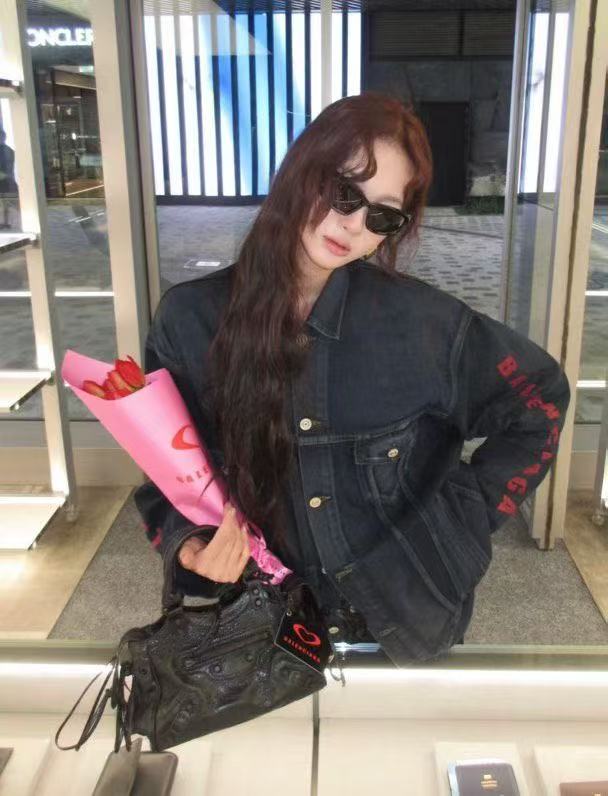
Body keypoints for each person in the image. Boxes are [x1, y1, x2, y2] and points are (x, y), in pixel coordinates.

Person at [133, 91, 571, 666]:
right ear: (301, 170)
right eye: (345, 192)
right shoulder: (190, 320)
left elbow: (541, 400)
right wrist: (189, 542)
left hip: (402, 624)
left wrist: (464, 516)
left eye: (382, 215)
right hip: (261, 628)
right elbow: (165, 468)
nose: (355, 223)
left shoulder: (428, 327)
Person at [0, 128, 18, 230]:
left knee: (6, 203)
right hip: (7, 181)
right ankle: (5, 222)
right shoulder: (9, 150)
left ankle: (5, 222)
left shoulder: (7, 151)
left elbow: (7, 168)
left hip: (5, 182)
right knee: (5, 203)